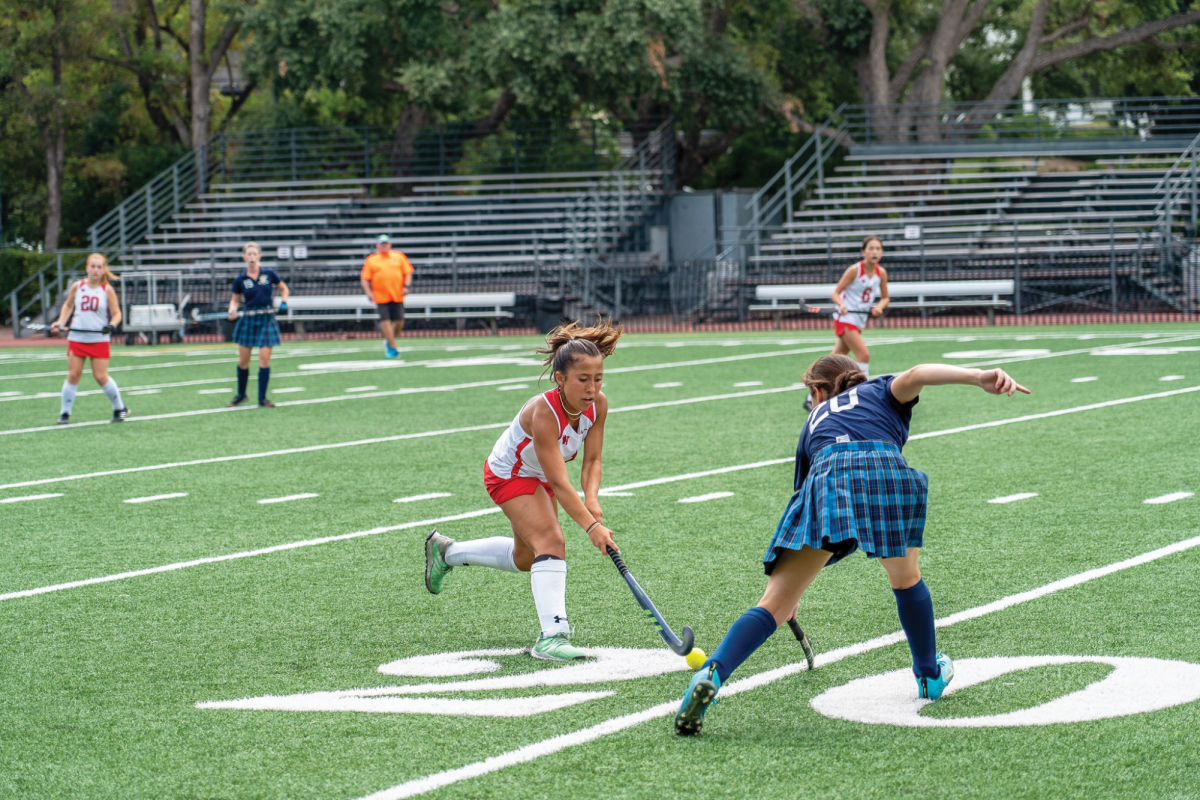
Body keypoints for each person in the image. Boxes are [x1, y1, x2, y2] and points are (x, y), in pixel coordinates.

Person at [674, 354, 1030, 735]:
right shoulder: (878, 389)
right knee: (906, 580)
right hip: (887, 472)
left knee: (772, 603)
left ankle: (712, 671)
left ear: (815, 391)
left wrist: (789, 592)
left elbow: (812, 515)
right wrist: (979, 377)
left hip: (829, 476)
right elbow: (918, 373)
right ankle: (928, 674)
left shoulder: (811, 423)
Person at [423, 321, 622, 661]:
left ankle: (446, 552)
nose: (591, 388)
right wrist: (591, 527)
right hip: (509, 473)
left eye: (598, 379)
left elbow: (592, 462)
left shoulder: (597, 405)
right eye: (582, 380)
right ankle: (553, 637)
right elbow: (559, 483)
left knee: (526, 558)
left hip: (541, 474)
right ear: (560, 379)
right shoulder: (543, 412)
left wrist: (592, 498)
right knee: (552, 542)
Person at [805, 236, 889, 411]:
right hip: (845, 318)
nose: (874, 252)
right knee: (863, 354)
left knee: (834, 361)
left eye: (878, 249)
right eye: (871, 248)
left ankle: (811, 395)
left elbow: (885, 298)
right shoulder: (854, 270)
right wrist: (841, 305)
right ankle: (865, 396)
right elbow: (835, 293)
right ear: (863, 252)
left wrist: (879, 307)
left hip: (858, 320)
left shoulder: (881, 273)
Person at [50, 253, 129, 424]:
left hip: (98, 339)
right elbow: (68, 305)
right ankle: (64, 413)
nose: (95, 270)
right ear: (87, 268)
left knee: (101, 376)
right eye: (92, 266)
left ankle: (120, 408)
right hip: (77, 337)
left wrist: (111, 326)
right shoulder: (77, 287)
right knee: (73, 375)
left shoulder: (106, 290)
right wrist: (60, 322)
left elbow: (117, 314)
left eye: (99, 267)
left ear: (103, 270)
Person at [227, 241, 289, 408]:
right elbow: (235, 300)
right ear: (244, 257)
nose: (252, 257)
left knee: (264, 360)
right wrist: (232, 310)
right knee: (243, 362)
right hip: (248, 318)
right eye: (249, 254)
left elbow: (284, 288)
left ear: (259, 256)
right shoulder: (240, 279)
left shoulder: (268, 274)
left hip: (266, 318)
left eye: (255, 254)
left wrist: (284, 302)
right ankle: (241, 395)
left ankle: (262, 398)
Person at [360, 234, 414, 359]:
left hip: (396, 294)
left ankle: (389, 341)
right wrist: (369, 293)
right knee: (385, 321)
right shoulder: (372, 260)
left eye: (386, 244)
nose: (384, 246)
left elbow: (408, 273)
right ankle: (392, 347)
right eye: (381, 244)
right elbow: (365, 279)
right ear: (377, 245)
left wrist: (406, 286)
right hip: (380, 296)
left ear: (389, 245)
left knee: (399, 321)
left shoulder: (398, 256)